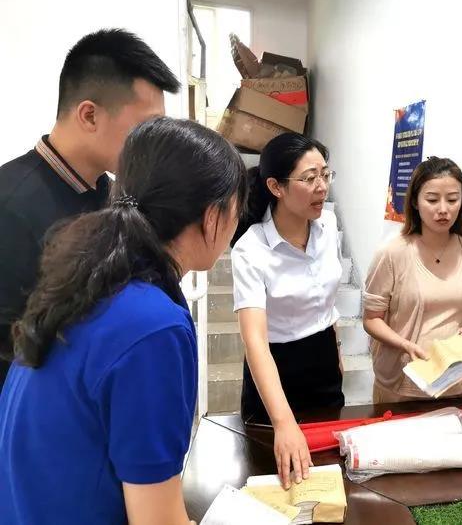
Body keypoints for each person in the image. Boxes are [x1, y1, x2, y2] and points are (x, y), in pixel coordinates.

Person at [0, 117, 248, 524]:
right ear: (211, 217)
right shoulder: (153, 328)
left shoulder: (87, 282)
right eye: (237, 209)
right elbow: (156, 520)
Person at [0, 28, 180, 389]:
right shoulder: (11, 202)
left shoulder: (109, 194)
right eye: (145, 128)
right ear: (89, 116)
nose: (152, 144)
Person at [231, 132, 343, 490]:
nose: (321, 187)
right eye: (309, 178)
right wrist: (283, 422)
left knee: (327, 474)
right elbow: (255, 341)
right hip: (275, 367)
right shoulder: (251, 250)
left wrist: (336, 351)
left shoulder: (328, 227)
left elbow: (327, 302)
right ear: (275, 187)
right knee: (272, 477)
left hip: (324, 361)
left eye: (325, 174)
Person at [363, 157, 462, 403]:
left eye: (452, 200)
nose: (443, 209)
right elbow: (371, 319)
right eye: (432, 200)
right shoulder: (392, 252)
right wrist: (405, 345)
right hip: (402, 380)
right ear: (415, 201)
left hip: (455, 378)